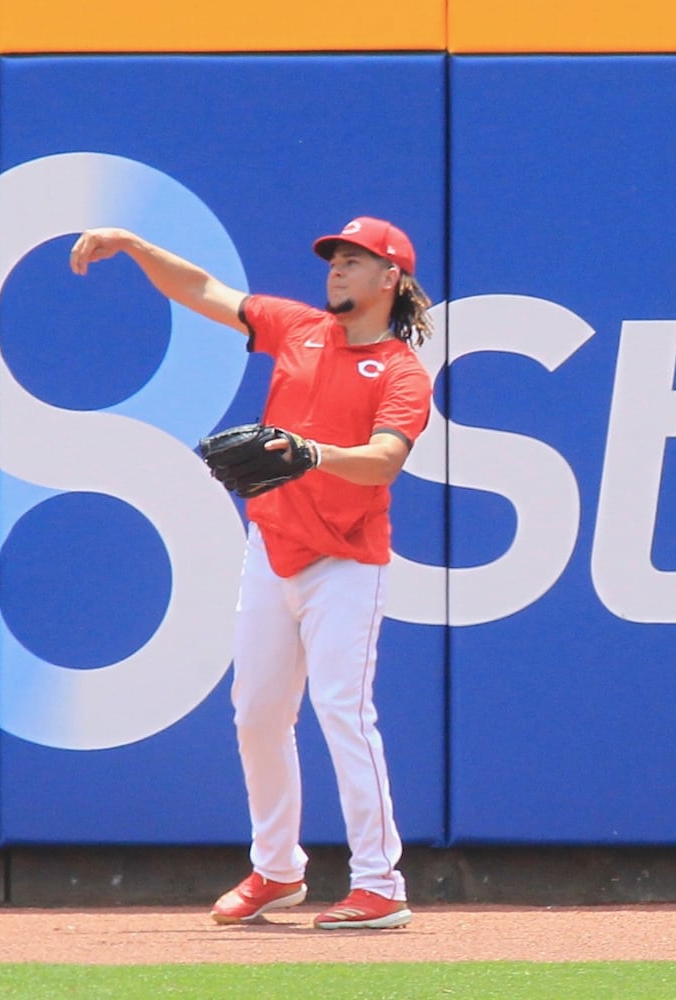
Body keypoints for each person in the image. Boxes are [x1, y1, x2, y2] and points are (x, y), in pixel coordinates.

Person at [70, 216, 433, 930]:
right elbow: (204, 289)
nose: (335, 268)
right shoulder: (297, 327)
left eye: (354, 260)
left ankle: (380, 883)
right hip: (272, 549)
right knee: (258, 714)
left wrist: (309, 452)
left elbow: (386, 459)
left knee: (343, 712)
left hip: (348, 562)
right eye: (333, 256)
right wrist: (140, 247)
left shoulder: (398, 370)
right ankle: (278, 869)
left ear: (390, 279)